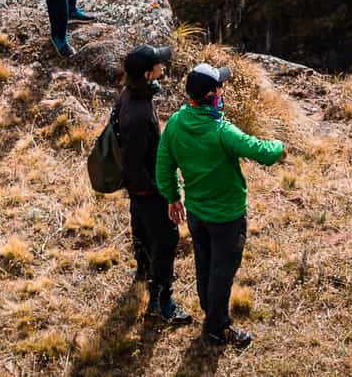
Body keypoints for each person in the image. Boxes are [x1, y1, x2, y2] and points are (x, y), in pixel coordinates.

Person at [154, 62, 286, 349]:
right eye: (220, 85)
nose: (223, 89)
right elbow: (260, 151)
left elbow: (163, 165)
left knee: (205, 265)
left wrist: (173, 197)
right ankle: (216, 329)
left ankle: (210, 309)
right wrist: (280, 146)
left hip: (197, 214)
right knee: (222, 272)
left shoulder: (176, 123)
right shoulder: (221, 131)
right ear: (213, 93)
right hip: (227, 217)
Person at [115, 44, 191, 326]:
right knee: (167, 238)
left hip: (141, 189)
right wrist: (160, 191)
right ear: (148, 74)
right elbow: (133, 164)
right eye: (159, 64)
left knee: (142, 228)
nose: (164, 66)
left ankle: (145, 267)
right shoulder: (137, 113)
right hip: (148, 188)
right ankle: (162, 304)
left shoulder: (132, 95)